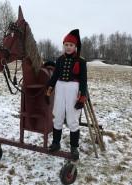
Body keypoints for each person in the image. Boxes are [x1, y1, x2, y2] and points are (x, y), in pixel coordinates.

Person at [44, 29, 87, 159]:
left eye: (71, 45)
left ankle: (74, 147)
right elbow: (54, 77)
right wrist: (48, 92)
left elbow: (84, 80)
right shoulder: (59, 59)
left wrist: (81, 99)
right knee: (57, 116)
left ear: (75, 46)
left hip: (73, 90)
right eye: (66, 44)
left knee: (72, 120)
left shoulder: (81, 61)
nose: (68, 47)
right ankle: (56, 143)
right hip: (60, 88)